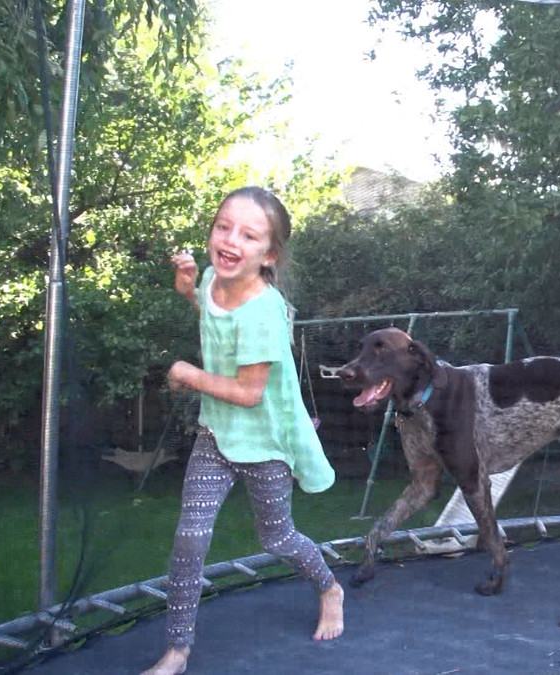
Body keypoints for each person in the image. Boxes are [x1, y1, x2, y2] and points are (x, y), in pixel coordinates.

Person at [144, 186, 344, 675]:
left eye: (249, 235)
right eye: (222, 226)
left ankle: (328, 587)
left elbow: (249, 392)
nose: (230, 240)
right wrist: (187, 286)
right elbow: (214, 319)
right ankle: (177, 651)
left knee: (276, 539)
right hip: (216, 436)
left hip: (263, 443)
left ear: (269, 254)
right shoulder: (215, 278)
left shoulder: (262, 312)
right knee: (190, 538)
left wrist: (188, 374)